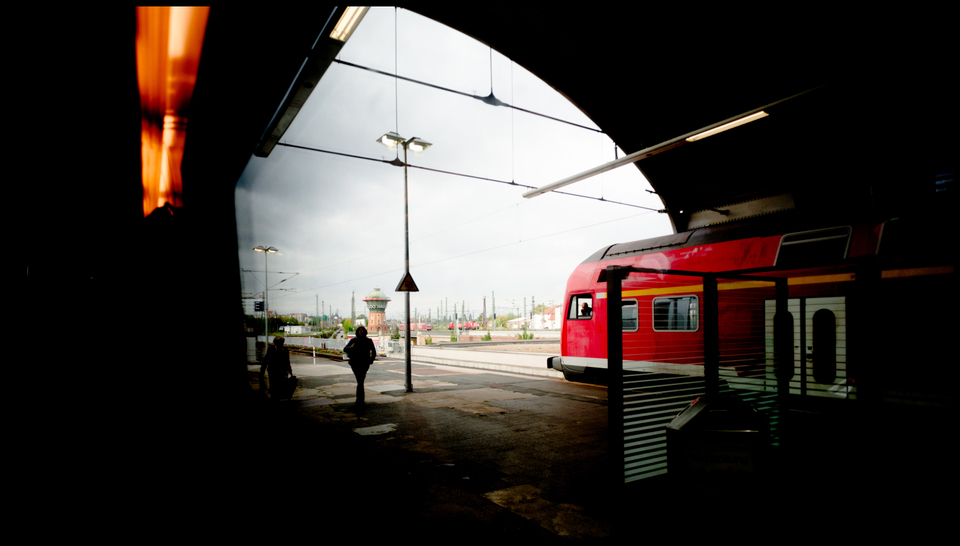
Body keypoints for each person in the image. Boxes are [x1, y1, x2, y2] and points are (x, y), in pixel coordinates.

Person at [344, 326, 376, 404]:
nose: (361, 332)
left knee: (360, 380)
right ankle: (360, 399)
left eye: (363, 330)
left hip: (364, 363)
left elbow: (374, 352)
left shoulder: (368, 341)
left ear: (365, 332)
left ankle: (360, 399)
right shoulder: (353, 340)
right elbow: (345, 349)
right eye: (360, 330)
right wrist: (351, 347)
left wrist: (371, 360)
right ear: (357, 332)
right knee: (360, 380)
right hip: (355, 363)